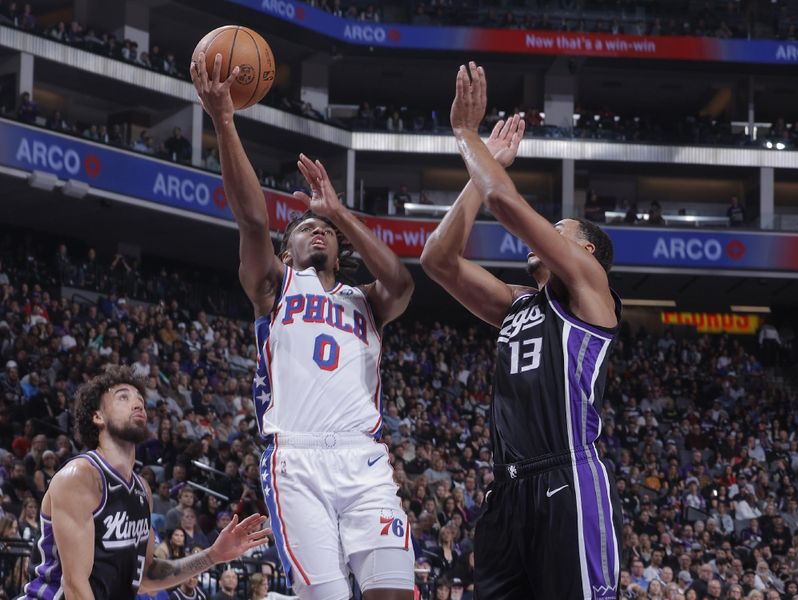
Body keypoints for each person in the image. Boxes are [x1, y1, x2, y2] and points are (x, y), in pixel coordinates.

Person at [191, 52, 415, 600]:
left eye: (327, 232)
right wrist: (224, 119)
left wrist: (339, 213)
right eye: (307, 229)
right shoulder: (276, 287)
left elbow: (403, 282)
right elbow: (251, 219)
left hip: (364, 459)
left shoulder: (367, 300)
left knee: (392, 591)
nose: (319, 234)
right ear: (286, 251)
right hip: (296, 457)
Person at [421, 62, 622, 600]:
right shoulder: (517, 304)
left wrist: (468, 135)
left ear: (583, 251)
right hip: (508, 492)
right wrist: (476, 170)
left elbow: (505, 203)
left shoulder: (589, 288)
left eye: (559, 230)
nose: (545, 234)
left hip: (569, 481)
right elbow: (437, 260)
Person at [18, 366, 271, 600]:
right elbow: (75, 586)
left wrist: (213, 555)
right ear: (97, 416)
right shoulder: (80, 477)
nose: (138, 402)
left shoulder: (142, 490)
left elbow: (147, 575)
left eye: (139, 397)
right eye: (123, 397)